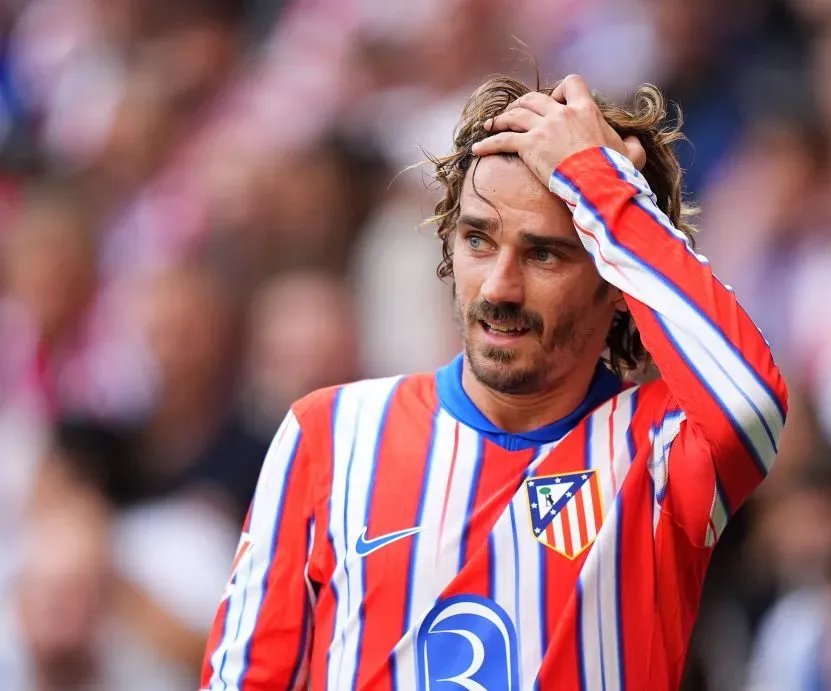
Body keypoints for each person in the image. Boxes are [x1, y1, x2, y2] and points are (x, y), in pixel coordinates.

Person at [199, 73, 787, 690]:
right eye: (478, 239)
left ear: (615, 283)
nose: (500, 288)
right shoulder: (329, 435)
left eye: (544, 255)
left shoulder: (660, 451)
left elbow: (750, 404)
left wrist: (605, 189)